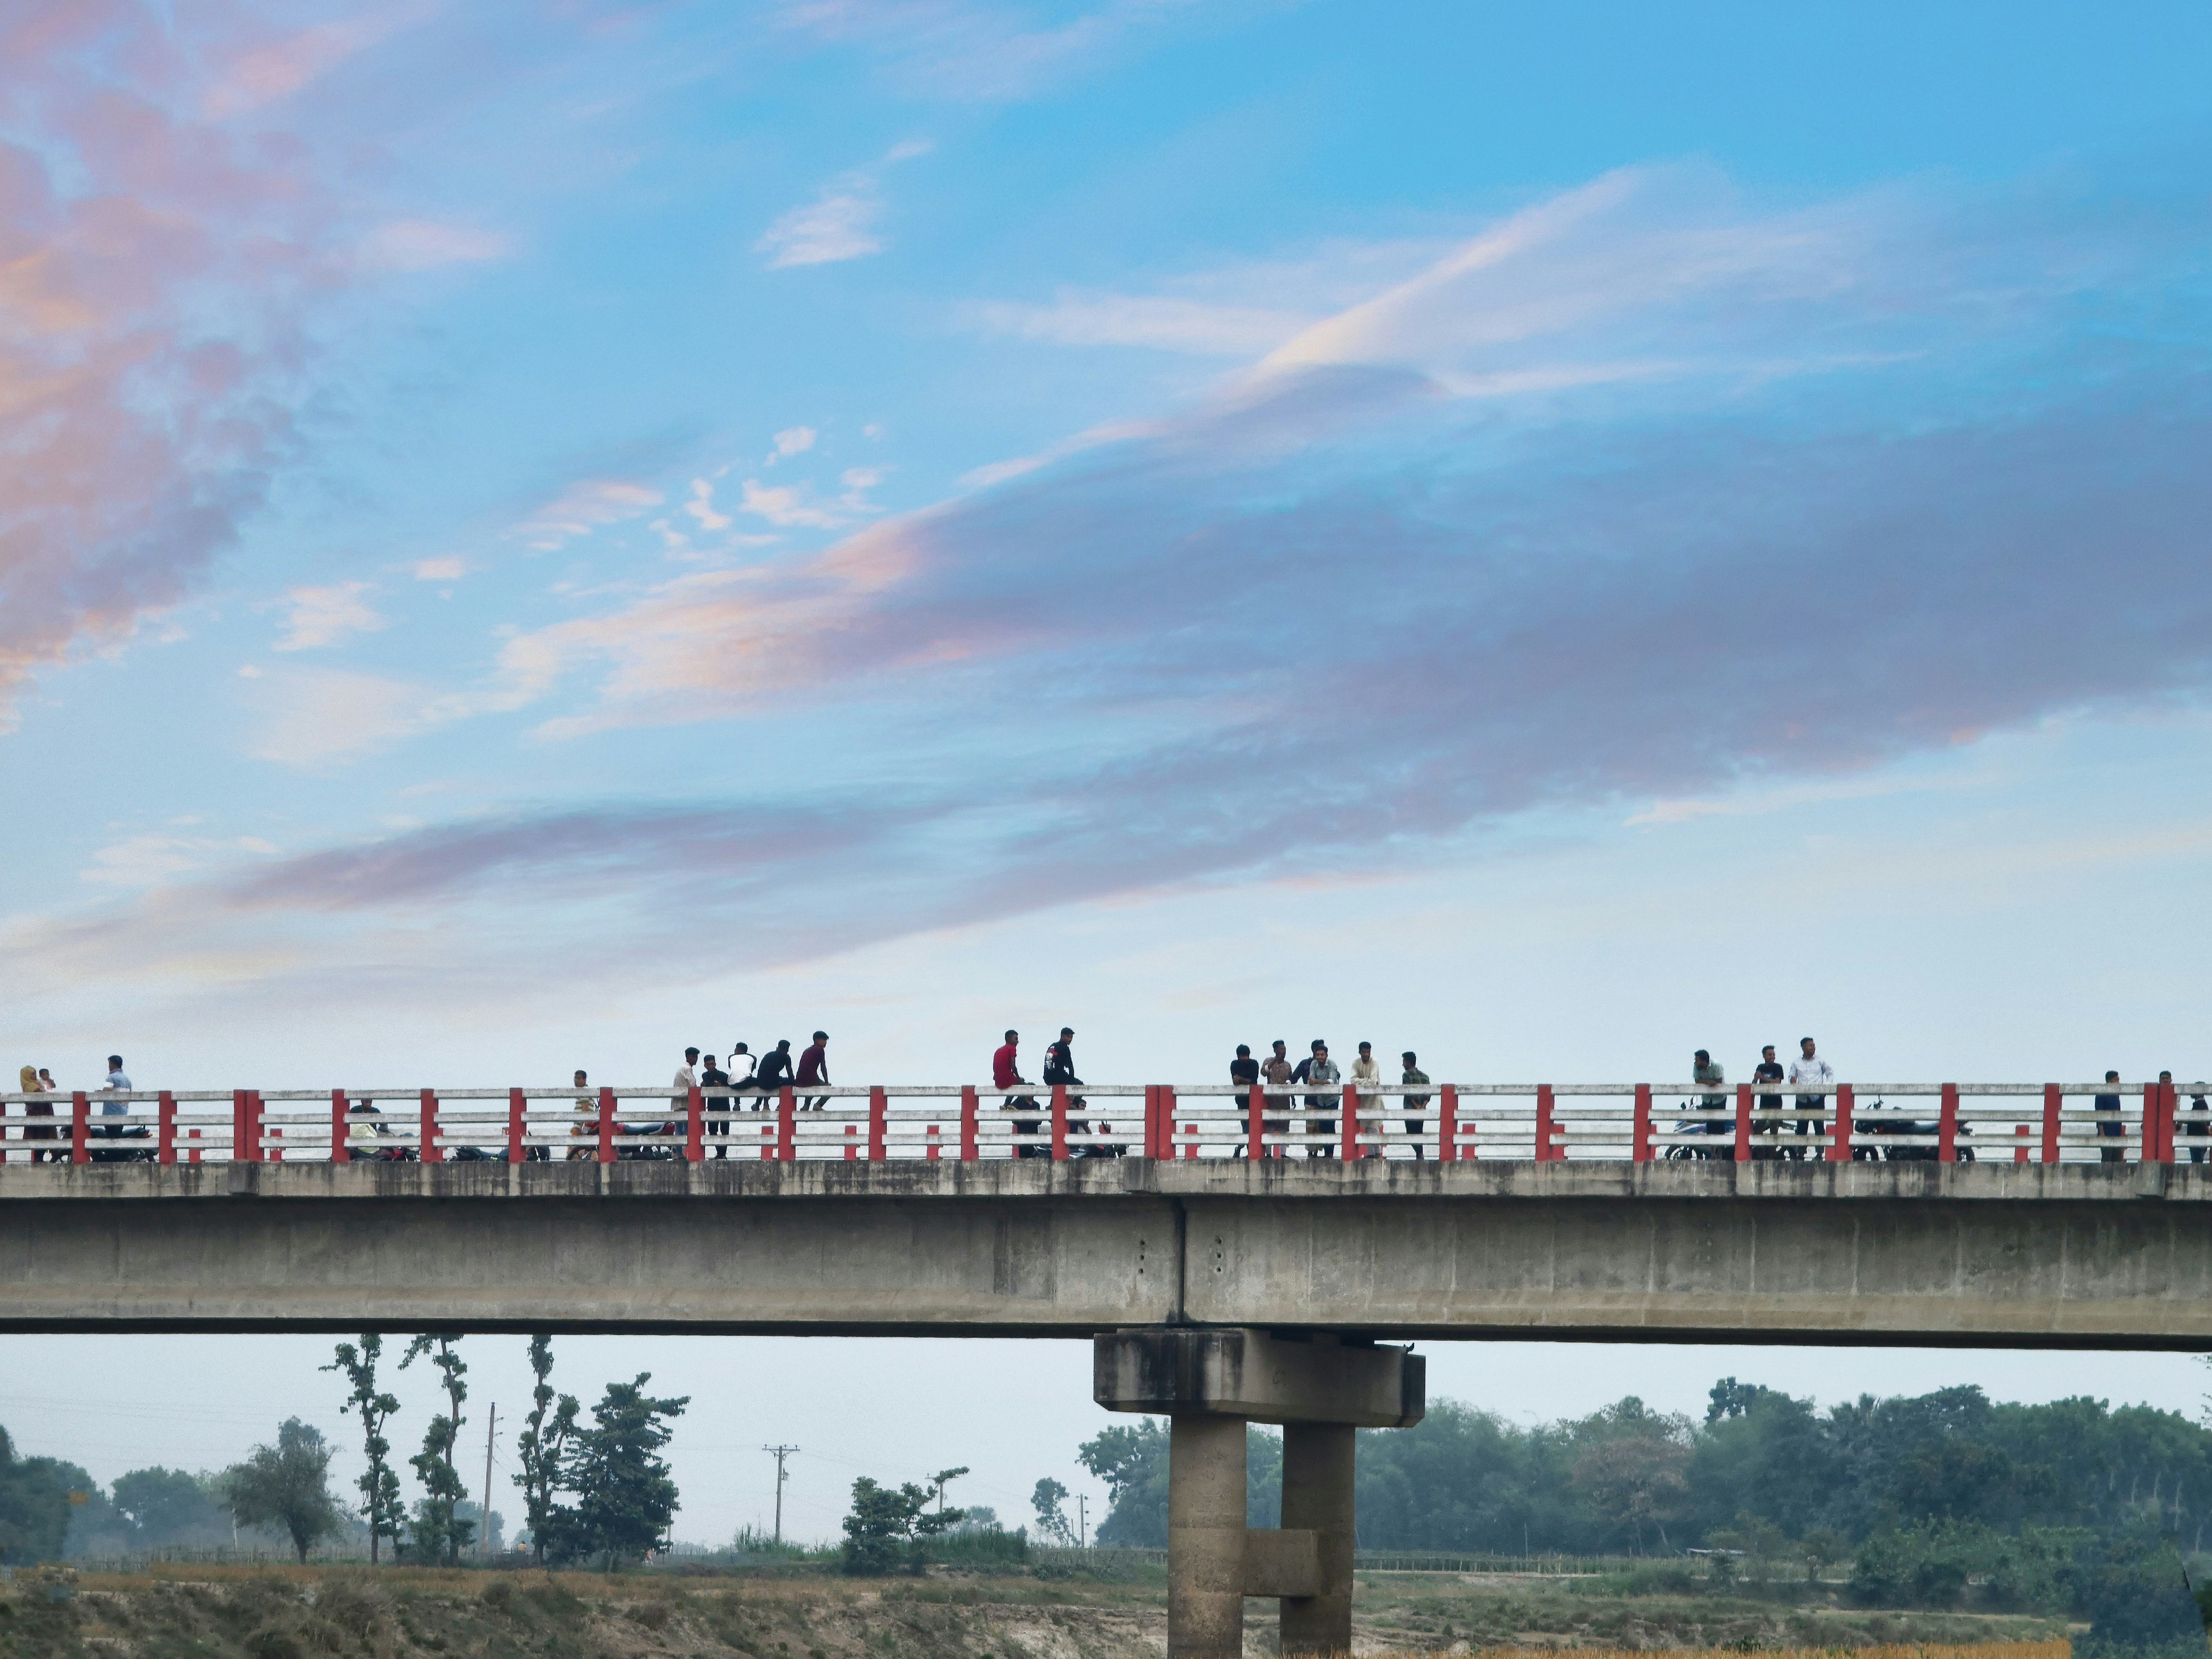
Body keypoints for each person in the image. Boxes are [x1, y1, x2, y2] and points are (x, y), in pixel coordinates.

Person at [995, 1030, 1042, 1158]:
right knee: (1020, 1084)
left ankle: (1007, 1105)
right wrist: (1018, 1077)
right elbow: (1013, 1066)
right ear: (1010, 1039)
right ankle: (1006, 1104)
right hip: (1007, 1078)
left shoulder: (999, 1050)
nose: (1018, 1041)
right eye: (1016, 1039)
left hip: (998, 1080)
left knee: (1017, 1085)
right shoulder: (1012, 1049)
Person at [1788, 1037, 1833, 1157]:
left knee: (1819, 1125)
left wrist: (1826, 1087)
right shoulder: (1796, 1062)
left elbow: (1830, 1073)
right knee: (1802, 1126)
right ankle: (1801, 1153)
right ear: (1803, 1047)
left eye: (1814, 1045)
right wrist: (1794, 1085)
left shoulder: (1820, 1061)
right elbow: (1792, 1077)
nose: (1813, 1048)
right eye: (1810, 1046)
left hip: (1817, 1098)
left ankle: (1819, 1153)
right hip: (1802, 1098)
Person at [1296, 1041, 1340, 1159]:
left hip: (1332, 1100)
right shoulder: (1313, 1064)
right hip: (1321, 1100)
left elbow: (1331, 1082)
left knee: (1330, 1126)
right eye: (1318, 1055)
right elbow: (1311, 1079)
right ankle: (1325, 1153)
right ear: (1315, 1055)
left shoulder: (1332, 1065)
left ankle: (1330, 1154)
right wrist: (1314, 1081)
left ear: (1326, 1056)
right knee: (1323, 1126)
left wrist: (1316, 1082)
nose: (1320, 1057)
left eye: (1322, 1055)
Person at [1348, 1042, 1384, 1159]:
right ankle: (1371, 1153)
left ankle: (1377, 1153)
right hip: (1364, 1099)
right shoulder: (1356, 1063)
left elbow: (1373, 1082)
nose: (1366, 1054)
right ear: (1360, 1052)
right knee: (1368, 1126)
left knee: (1374, 1125)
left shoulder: (1375, 1062)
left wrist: (1363, 1081)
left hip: (1374, 1098)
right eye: (1364, 1052)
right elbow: (1353, 1080)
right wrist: (1366, 1081)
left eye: (1368, 1052)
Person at [1262, 1040, 1295, 1158]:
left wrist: (1293, 1098)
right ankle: (1269, 1153)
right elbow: (1264, 1072)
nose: (1283, 1052)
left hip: (1285, 1100)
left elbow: (1291, 1081)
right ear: (1275, 1050)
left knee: (1284, 1127)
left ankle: (1283, 1153)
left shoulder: (1288, 1065)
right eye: (1281, 1049)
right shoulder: (1268, 1061)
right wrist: (1275, 1060)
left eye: (1285, 1049)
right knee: (1270, 1126)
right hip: (1271, 1099)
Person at [1691, 1050, 1728, 1156]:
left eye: (1697, 1060)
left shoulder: (1716, 1066)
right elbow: (1697, 1081)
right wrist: (1709, 1082)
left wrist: (1707, 1081)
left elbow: (1719, 1081)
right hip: (1707, 1098)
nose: (1695, 1062)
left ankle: (1720, 1153)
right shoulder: (1697, 1068)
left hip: (1720, 1098)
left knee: (1720, 1125)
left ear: (1704, 1061)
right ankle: (1712, 1153)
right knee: (1710, 1125)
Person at [18, 1064, 57, 1164]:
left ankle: (46, 1157)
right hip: (37, 1113)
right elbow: (38, 1094)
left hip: (45, 1111)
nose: (34, 1076)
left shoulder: (38, 1083)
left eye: (35, 1074)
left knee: (46, 1135)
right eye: (31, 1074)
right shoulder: (29, 1085)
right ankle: (39, 1158)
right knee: (39, 1135)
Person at [1752, 1045, 1786, 1158]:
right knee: (1758, 1128)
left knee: (1774, 1129)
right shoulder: (1760, 1067)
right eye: (1770, 1055)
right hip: (1764, 1103)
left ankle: (1772, 1155)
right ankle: (1760, 1153)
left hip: (1776, 1103)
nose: (1773, 1057)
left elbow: (1777, 1082)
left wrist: (1762, 1078)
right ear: (1764, 1056)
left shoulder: (1778, 1067)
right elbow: (1754, 1085)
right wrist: (1756, 1078)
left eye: (1773, 1054)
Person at [1229, 1045, 1260, 1156]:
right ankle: (1246, 1150)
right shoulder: (1234, 1064)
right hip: (1242, 1100)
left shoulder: (1253, 1064)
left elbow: (1253, 1081)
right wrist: (1242, 1080)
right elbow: (1235, 1081)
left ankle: (1241, 1147)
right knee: (1246, 1127)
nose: (1245, 1059)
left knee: (1252, 1128)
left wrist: (1241, 1079)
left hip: (1254, 1100)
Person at [700, 1054, 732, 1156]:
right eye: (708, 1064)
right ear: (705, 1065)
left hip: (724, 1106)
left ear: (715, 1064)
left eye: (712, 1064)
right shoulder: (705, 1076)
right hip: (712, 1107)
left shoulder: (723, 1076)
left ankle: (722, 1154)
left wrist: (722, 1086)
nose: (711, 1066)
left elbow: (731, 1087)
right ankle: (720, 1153)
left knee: (725, 1131)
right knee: (712, 1131)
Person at [1401, 1051, 1431, 1160]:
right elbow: (1428, 1093)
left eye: (1404, 1062)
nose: (1403, 1065)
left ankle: (1419, 1154)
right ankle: (1420, 1154)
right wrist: (1422, 1106)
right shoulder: (1424, 1076)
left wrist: (1415, 1105)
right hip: (1422, 1109)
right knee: (1419, 1132)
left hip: (1410, 1108)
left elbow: (1408, 1092)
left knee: (1411, 1133)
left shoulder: (1406, 1075)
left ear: (1408, 1062)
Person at [2094, 1069, 2124, 1163]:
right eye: (2117, 1080)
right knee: (2107, 1158)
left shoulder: (2116, 1095)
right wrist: (2102, 1133)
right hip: (2106, 1131)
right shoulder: (2102, 1094)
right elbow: (2099, 1114)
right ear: (2110, 1081)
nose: (2118, 1082)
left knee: (2117, 1159)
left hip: (2116, 1131)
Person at [568, 1069, 597, 1161]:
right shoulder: (583, 1091)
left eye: (579, 1078)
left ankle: (571, 1163)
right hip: (585, 1125)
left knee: (573, 1146)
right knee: (583, 1147)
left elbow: (585, 1109)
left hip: (581, 1125)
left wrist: (581, 1127)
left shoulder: (584, 1091)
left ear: (584, 1080)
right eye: (575, 1078)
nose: (576, 1080)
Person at [755, 1039, 795, 1105]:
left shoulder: (769, 1055)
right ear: (787, 1050)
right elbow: (790, 1074)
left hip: (760, 1082)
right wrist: (793, 1081)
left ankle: (757, 1104)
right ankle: (781, 1105)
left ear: (778, 1048)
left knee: (769, 1079)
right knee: (790, 1082)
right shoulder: (786, 1057)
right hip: (772, 1083)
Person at [797, 1031, 830, 1111]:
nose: (825, 1043)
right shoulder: (820, 1050)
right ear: (817, 1040)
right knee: (828, 1091)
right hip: (811, 1079)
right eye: (824, 1040)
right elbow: (823, 1067)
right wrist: (826, 1082)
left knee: (811, 1089)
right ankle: (818, 1105)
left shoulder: (807, 1051)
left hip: (800, 1080)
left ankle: (806, 1106)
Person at [2187, 1082, 2211, 1165]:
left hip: (2198, 1137)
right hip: (2199, 1137)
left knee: (2197, 1162)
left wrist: (2207, 1132)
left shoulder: (2200, 1104)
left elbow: (2204, 1122)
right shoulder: (2202, 1104)